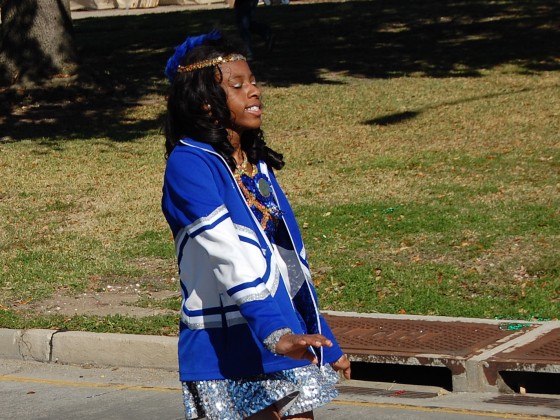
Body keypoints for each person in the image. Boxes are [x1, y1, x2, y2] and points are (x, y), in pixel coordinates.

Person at [161, 30, 350, 419]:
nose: (255, 91)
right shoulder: (189, 165)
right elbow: (226, 252)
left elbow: (289, 260)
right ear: (206, 104)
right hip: (227, 342)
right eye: (238, 85)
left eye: (253, 81)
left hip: (282, 332)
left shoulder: (255, 166)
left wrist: (323, 336)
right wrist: (275, 335)